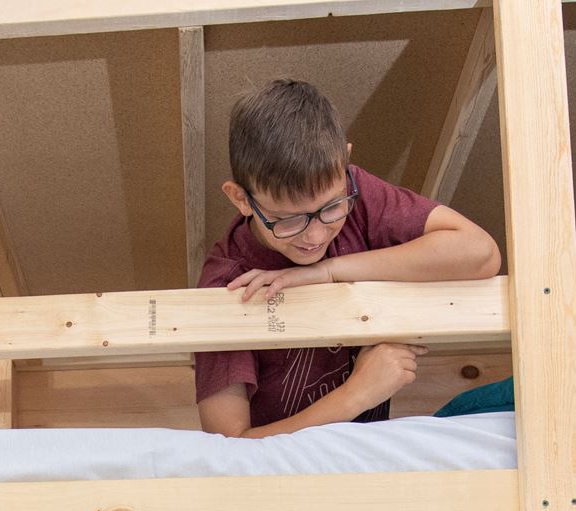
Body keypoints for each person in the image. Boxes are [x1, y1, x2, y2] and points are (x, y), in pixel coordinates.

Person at [195, 79, 503, 437]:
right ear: (240, 198)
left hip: (365, 453)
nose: (315, 236)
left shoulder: (353, 190)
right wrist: (357, 394)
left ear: (346, 163)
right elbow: (230, 450)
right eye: (289, 219)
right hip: (285, 474)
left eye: (330, 208)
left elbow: (480, 253)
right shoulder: (228, 284)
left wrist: (330, 272)